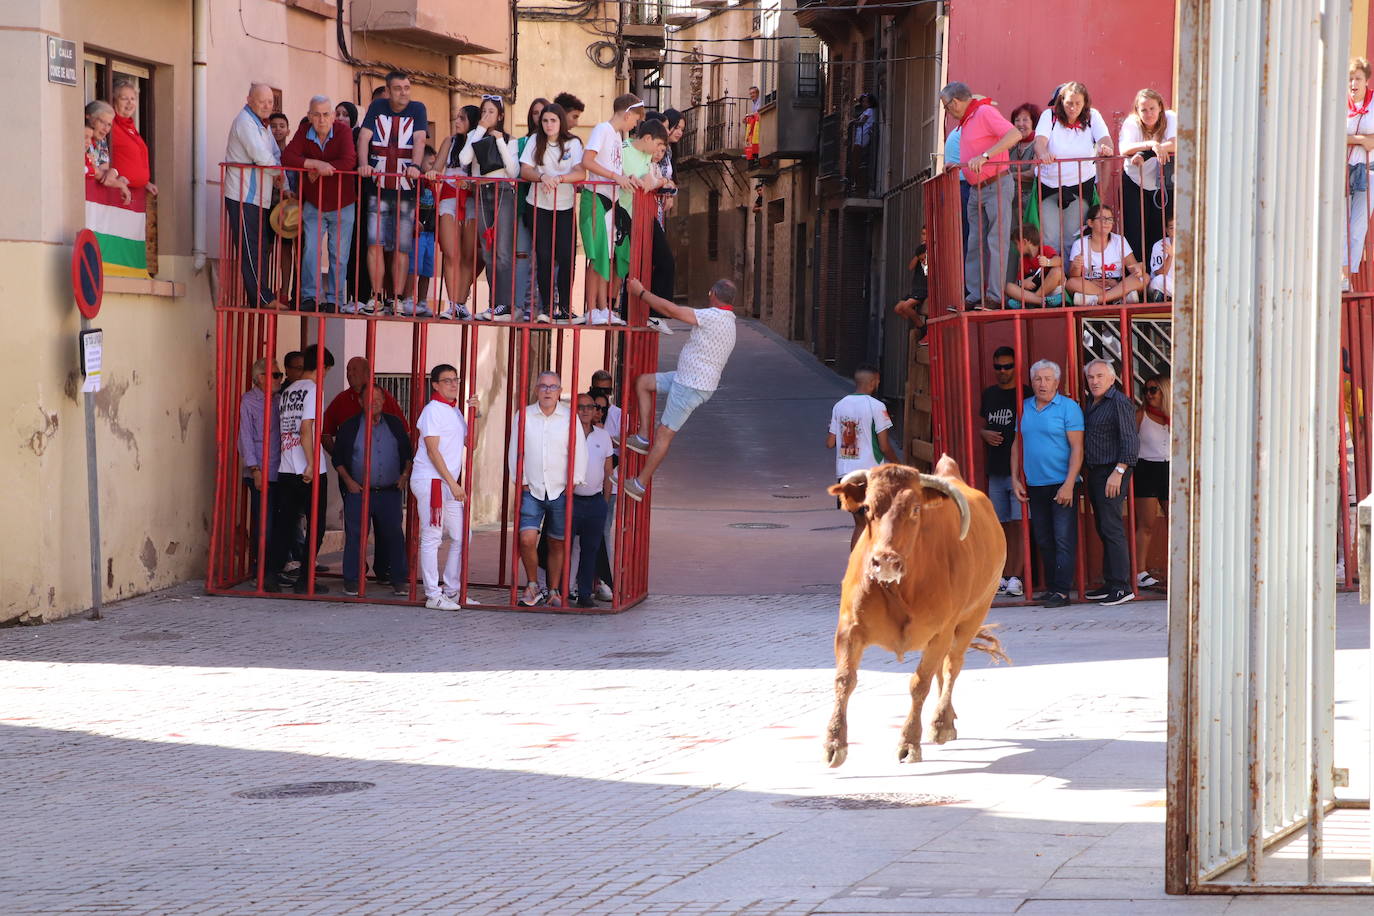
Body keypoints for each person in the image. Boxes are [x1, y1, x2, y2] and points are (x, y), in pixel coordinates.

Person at [621, 277, 738, 501]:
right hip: (686, 378)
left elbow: (672, 311)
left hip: (690, 385)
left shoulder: (713, 316)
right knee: (644, 382)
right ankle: (642, 437)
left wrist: (641, 292)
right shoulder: (728, 320)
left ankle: (639, 484)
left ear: (712, 293)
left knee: (664, 434)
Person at [939, 82, 1021, 308]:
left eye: (946, 106)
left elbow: (1014, 134)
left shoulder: (984, 112)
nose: (947, 112)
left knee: (996, 241)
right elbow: (973, 152)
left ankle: (994, 296)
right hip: (977, 189)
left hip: (996, 184)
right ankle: (974, 295)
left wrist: (985, 156)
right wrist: (958, 165)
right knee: (975, 243)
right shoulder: (968, 119)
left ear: (955, 102)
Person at [509, 371, 588, 607]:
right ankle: (533, 585)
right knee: (526, 539)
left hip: (560, 490)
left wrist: (573, 482)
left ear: (559, 392)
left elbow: (579, 450)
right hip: (531, 489)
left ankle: (553, 590)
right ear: (536, 390)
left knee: (557, 542)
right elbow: (515, 449)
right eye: (543, 386)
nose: (547, 391)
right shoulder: (524, 415)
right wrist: (520, 479)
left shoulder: (569, 417)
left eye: (553, 387)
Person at [1011, 359, 1084, 609]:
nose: (1042, 384)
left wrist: (1069, 484)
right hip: (1035, 484)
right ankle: (1053, 588)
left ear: (1057, 382)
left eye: (1047, 379)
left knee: (1063, 538)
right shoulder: (1024, 407)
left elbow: (1077, 448)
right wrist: (1015, 478)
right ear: (1032, 382)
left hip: (1062, 483)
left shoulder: (1069, 408)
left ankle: (1062, 592)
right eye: (1038, 379)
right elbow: (1017, 444)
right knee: (1044, 538)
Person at [356, 70, 429, 315]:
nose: (403, 93)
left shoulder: (418, 109)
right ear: (388, 91)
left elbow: (420, 139)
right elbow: (364, 137)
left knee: (401, 246)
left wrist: (416, 165)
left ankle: (397, 297)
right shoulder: (377, 107)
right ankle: (376, 297)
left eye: (407, 88)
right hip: (377, 185)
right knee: (374, 243)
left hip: (405, 188)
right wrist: (363, 164)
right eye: (398, 88)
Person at [412, 365, 482, 610]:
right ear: (435, 385)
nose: (453, 384)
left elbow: (471, 444)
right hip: (432, 480)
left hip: (446, 483)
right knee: (432, 536)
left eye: (456, 380)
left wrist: (476, 415)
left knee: (462, 535)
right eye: (447, 380)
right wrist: (453, 483)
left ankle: (452, 590)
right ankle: (433, 594)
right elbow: (432, 451)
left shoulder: (455, 410)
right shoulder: (432, 410)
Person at [268, 344, 335, 593]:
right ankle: (305, 579)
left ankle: (271, 575)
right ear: (323, 367)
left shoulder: (288, 391)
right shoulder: (314, 390)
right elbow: (306, 428)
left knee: (284, 525)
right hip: (309, 470)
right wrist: (310, 463)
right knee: (315, 526)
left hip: (286, 467)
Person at [281, 95, 358, 314]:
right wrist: (315, 164)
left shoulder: (343, 131)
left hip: (343, 202)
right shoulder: (304, 131)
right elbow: (288, 157)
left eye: (326, 114)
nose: (321, 119)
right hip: (314, 202)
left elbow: (349, 161)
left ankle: (335, 300)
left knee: (339, 255)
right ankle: (309, 297)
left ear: (333, 116)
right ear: (309, 116)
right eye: (316, 114)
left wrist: (321, 169)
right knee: (310, 251)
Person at [333, 384, 411, 597]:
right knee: (356, 536)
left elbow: (408, 452)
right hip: (359, 492)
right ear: (360, 402)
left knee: (394, 535)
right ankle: (352, 580)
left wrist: (405, 475)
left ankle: (399, 580)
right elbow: (337, 458)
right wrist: (349, 481)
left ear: (384, 401)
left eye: (378, 398)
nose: (374, 402)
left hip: (390, 492)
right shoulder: (349, 426)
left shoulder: (394, 423)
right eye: (369, 398)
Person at [581, 93, 645, 324]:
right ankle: (591, 310)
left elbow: (613, 167)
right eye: (636, 119)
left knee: (606, 257)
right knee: (597, 256)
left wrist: (626, 176)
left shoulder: (617, 136)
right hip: (596, 198)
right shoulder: (603, 129)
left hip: (610, 200)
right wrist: (615, 177)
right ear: (627, 114)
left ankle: (602, 308)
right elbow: (587, 161)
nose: (635, 124)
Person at [1080, 358, 1139, 607]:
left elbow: (1130, 440)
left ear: (1112, 379)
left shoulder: (1119, 402)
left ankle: (1122, 586)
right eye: (1091, 377)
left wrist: (1119, 470)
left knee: (1112, 527)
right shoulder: (1092, 402)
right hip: (1097, 472)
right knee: (1104, 527)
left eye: (1100, 376)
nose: (1094, 381)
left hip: (1112, 471)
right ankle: (1111, 582)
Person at [520, 102, 586, 322]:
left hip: (565, 207)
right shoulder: (534, 140)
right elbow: (525, 170)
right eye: (545, 120)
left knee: (567, 257)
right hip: (538, 206)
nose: (549, 125)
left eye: (553, 120)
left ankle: (565, 308)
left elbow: (580, 173)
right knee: (544, 256)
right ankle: (547, 308)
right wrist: (542, 177)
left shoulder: (573, 143)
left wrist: (560, 178)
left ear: (561, 122)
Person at [1034, 81, 1114, 259]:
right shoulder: (1049, 115)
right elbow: (1039, 142)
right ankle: (1053, 275)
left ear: (1085, 103)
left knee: (1073, 238)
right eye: (1069, 102)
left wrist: (1106, 148)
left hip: (1080, 187)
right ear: (1061, 101)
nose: (1073, 107)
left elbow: (1105, 139)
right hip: (1049, 186)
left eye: (1078, 103)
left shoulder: (1093, 116)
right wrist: (1043, 153)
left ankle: (1071, 275)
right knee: (1050, 238)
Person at [462, 96, 522, 321]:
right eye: (484, 111)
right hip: (481, 193)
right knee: (488, 252)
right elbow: (464, 159)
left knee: (503, 252)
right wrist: (479, 130)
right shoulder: (474, 135)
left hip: (503, 193)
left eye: (491, 112)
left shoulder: (509, 140)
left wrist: (499, 141)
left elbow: (513, 171)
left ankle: (504, 305)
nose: (487, 116)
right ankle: (493, 305)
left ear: (500, 116)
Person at [827, 365, 899, 548]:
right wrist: (898, 464)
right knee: (874, 523)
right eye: (878, 381)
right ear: (873, 382)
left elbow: (830, 442)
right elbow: (884, 446)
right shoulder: (877, 407)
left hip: (845, 475)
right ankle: (869, 562)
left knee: (860, 524)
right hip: (869, 474)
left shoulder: (839, 406)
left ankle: (857, 562)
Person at [224, 83, 282, 309]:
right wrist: (279, 173)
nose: (267, 106)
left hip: (258, 196)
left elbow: (274, 153)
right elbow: (261, 156)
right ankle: (261, 297)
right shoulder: (245, 122)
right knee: (250, 249)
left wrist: (279, 173)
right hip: (243, 194)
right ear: (249, 100)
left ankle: (263, 295)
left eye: (270, 102)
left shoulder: (262, 124)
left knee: (261, 247)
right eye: (261, 101)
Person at [979, 347, 1030, 597]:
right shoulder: (989, 394)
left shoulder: (1026, 394)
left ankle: (1016, 577)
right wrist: (983, 433)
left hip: (1021, 471)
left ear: (1016, 366)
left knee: (1020, 524)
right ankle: (1003, 575)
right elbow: (981, 424)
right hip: (996, 469)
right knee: (1000, 526)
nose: (1002, 371)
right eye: (998, 367)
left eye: (1007, 366)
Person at [430, 105, 480, 320]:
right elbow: (437, 168)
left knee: (468, 255)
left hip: (471, 200)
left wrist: (470, 184)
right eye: (457, 117)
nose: (457, 121)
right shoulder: (449, 142)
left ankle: (460, 303)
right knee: (450, 253)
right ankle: (452, 304)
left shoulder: (480, 143)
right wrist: (432, 173)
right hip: (449, 197)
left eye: (462, 118)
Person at [619, 120, 671, 328]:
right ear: (648, 138)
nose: (658, 152)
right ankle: (626, 315)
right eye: (658, 145)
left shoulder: (647, 155)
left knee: (665, 260)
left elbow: (655, 178)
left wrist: (658, 181)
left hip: (644, 214)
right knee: (629, 267)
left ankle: (654, 313)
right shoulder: (623, 149)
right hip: (624, 214)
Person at [1118, 89, 1176, 266]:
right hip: (1134, 182)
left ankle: (1157, 275)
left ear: (1160, 107)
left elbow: (1176, 143)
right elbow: (1124, 149)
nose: (1148, 113)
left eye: (1152, 108)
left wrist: (1145, 153)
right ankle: (1135, 275)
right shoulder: (1132, 123)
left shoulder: (1170, 117)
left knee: (1159, 231)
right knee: (1133, 231)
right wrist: (1152, 144)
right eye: (1143, 110)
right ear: (1137, 110)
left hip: (1162, 184)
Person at [238, 357, 282, 576]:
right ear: (261, 378)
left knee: (278, 522)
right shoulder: (248, 401)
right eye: (275, 375)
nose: (279, 379)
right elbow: (245, 437)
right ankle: (260, 569)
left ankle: (274, 567)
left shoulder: (280, 400)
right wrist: (255, 470)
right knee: (264, 522)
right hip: (260, 470)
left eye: (279, 375)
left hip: (281, 470)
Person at [571, 392, 614, 608]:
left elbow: (608, 472)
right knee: (563, 548)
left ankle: (585, 594)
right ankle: (560, 591)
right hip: (571, 500)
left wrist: (604, 502)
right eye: (581, 407)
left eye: (590, 407)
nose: (586, 411)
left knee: (590, 550)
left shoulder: (603, 436)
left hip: (595, 501)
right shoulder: (567, 434)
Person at [1066, 204, 1148, 305]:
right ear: (1090, 223)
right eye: (1102, 219)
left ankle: (1097, 300)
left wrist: (1139, 269)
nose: (1106, 222)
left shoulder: (1119, 240)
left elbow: (1134, 268)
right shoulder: (1079, 244)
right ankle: (1118, 298)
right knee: (1071, 283)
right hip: (1092, 285)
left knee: (1145, 277)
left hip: (1116, 284)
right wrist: (1076, 266)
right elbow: (1073, 276)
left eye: (1110, 219)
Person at [1133, 373, 1170, 590]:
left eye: (1153, 390)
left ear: (1165, 391)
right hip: (1146, 468)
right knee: (1146, 524)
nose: (1148, 394)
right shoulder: (1141, 415)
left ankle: (1176, 568)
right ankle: (1140, 572)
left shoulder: (1175, 416)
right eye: (1145, 390)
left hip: (1170, 469)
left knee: (1175, 523)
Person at [589, 384, 618, 602]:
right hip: (579, 493)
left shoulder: (608, 430)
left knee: (603, 535)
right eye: (595, 407)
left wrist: (605, 499)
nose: (599, 412)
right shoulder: (577, 429)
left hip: (604, 492)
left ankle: (603, 582)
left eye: (603, 409)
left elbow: (610, 467)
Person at [402, 145, 439, 315]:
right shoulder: (413, 181)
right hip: (416, 231)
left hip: (430, 230)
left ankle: (422, 302)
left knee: (427, 269)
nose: (433, 167)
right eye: (430, 163)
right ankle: (408, 299)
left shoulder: (431, 182)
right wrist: (413, 220)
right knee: (413, 266)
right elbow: (407, 203)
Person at [1347, 58, 1374, 287]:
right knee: (1338, 224)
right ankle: (1340, 276)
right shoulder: (1339, 103)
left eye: (1358, 79)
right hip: (1342, 170)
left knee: (1358, 227)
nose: (1353, 84)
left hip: (1369, 171)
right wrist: (1361, 139)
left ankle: (1347, 276)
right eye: (1350, 79)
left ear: (1367, 81)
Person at [1005, 223, 1064, 308]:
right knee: (1008, 287)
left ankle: (1028, 301)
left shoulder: (1045, 249)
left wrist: (1048, 262)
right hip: (1034, 292)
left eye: (1016, 244)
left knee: (1057, 271)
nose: (1016, 247)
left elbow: (1059, 261)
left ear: (1024, 242)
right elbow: (1018, 282)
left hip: (1050, 290)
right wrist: (1023, 283)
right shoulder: (1023, 260)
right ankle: (1041, 301)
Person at [85, 100, 132, 205]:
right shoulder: (83, 136)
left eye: (109, 125)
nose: (106, 129)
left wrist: (114, 173)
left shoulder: (101, 140)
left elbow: (103, 171)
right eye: (102, 122)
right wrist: (119, 184)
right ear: (88, 117)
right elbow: (93, 170)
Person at [1007, 102, 1039, 213]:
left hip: (1031, 201)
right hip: (1010, 198)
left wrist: (1007, 176)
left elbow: (1032, 174)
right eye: (1017, 120)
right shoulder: (1012, 144)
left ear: (1033, 122)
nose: (1020, 124)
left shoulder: (1038, 144)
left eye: (1025, 120)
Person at [944, 124, 970, 255]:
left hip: (953, 186)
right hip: (964, 186)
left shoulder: (957, 131)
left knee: (959, 235)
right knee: (969, 234)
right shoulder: (968, 131)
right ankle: (965, 267)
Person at [893, 244, 929, 334]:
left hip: (923, 290)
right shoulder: (919, 262)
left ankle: (922, 328)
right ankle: (916, 322)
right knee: (898, 309)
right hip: (915, 290)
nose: (924, 261)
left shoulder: (929, 265)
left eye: (925, 258)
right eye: (922, 259)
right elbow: (910, 267)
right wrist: (917, 257)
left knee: (906, 306)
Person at [1149, 215, 1175, 302]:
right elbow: (1160, 274)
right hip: (1162, 284)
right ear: (1167, 231)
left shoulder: (1190, 244)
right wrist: (1170, 255)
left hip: (1180, 285)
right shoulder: (1159, 245)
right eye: (1172, 228)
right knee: (1159, 280)